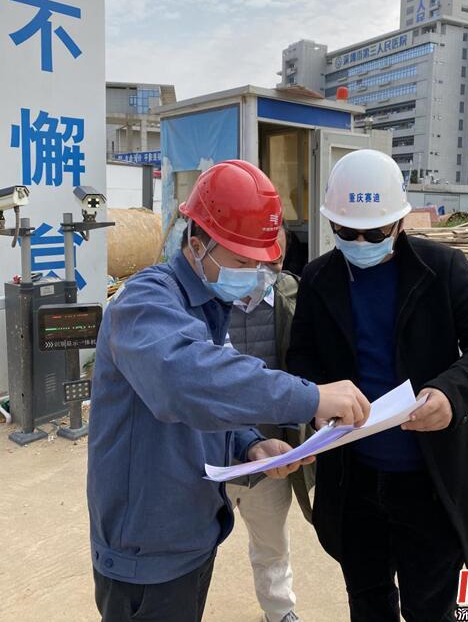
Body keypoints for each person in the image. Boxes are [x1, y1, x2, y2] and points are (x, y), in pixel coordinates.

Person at [87, 159, 370, 622]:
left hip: (192, 531)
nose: (254, 275)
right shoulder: (146, 300)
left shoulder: (209, 305)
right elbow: (186, 381)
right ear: (197, 245)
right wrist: (312, 397)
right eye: (241, 261)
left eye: (261, 263)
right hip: (147, 548)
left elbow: (211, 404)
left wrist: (250, 444)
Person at [287, 149, 468, 622]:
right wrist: (318, 401)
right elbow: (302, 357)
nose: (360, 242)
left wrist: (451, 392)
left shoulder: (442, 268)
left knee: (430, 606)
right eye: (346, 232)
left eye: (374, 233)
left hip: (429, 479)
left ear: (401, 222)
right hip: (353, 477)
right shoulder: (318, 277)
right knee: (368, 601)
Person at [226, 226, 312, 622]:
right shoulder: (204, 302)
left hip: (271, 455)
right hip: (211, 451)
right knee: (194, 546)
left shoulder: (293, 297)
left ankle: (280, 612)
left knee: (272, 543)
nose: (266, 270)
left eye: (276, 261)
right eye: (257, 259)